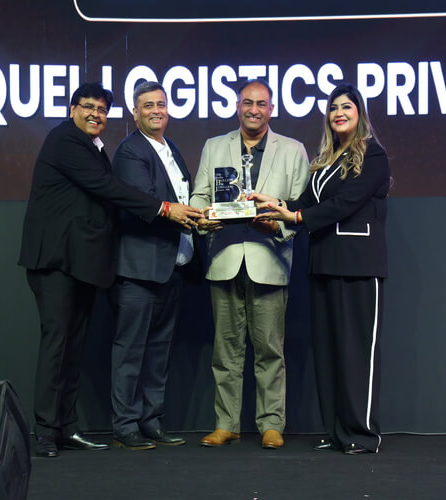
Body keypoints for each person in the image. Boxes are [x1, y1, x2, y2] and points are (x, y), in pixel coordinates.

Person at [18, 82, 202, 458]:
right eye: (88, 107)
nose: (95, 115)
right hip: (55, 261)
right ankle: (45, 432)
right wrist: (164, 208)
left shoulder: (95, 146)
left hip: (81, 263)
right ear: (72, 109)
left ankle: (67, 428)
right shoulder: (65, 140)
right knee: (57, 346)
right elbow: (106, 187)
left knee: (73, 349)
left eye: (101, 110)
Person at [252, 83, 390, 454]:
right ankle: (337, 431)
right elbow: (305, 203)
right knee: (329, 352)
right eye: (333, 108)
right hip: (324, 262)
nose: (338, 113)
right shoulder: (326, 158)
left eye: (346, 107)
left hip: (358, 265)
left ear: (359, 114)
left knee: (356, 352)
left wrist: (296, 216)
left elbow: (346, 202)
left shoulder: (373, 154)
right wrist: (275, 204)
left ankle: (361, 434)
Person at [190, 79, 310, 449]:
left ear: (271, 109)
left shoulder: (292, 150)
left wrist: (277, 225)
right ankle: (226, 423)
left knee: (270, 350)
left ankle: (271, 424)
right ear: (237, 106)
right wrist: (204, 219)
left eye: (261, 104)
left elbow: (301, 208)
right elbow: (199, 196)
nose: (253, 109)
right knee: (225, 350)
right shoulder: (214, 146)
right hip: (224, 259)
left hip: (269, 260)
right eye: (247, 102)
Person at [109, 81, 202, 450]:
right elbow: (143, 201)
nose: (156, 111)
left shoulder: (171, 148)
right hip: (139, 270)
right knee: (130, 351)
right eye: (147, 105)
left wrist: (202, 219)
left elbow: (183, 200)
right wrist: (180, 213)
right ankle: (125, 426)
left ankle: (151, 421)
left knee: (159, 351)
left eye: (161, 104)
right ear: (135, 113)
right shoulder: (130, 150)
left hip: (172, 267)